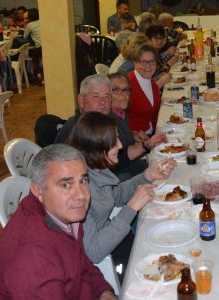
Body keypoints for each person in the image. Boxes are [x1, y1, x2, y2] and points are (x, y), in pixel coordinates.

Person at [0, 144, 116, 300]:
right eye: (66, 185)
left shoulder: (65, 214)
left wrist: (104, 292)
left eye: (83, 181)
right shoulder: (32, 257)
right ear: (38, 190)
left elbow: (82, 264)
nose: (81, 195)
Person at [66, 111, 176, 263]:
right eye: (114, 141)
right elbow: (93, 252)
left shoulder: (95, 168)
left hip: (111, 235)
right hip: (102, 259)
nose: (120, 145)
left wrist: (147, 176)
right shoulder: (78, 192)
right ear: (97, 146)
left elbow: (114, 197)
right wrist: (131, 208)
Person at [54, 74, 167, 181]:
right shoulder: (75, 131)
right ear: (81, 100)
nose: (103, 102)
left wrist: (147, 144)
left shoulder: (104, 118)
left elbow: (120, 157)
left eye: (107, 96)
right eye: (96, 96)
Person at [127, 45, 163, 134]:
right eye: (143, 62)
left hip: (152, 133)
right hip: (135, 140)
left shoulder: (152, 84)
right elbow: (119, 120)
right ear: (135, 63)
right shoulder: (127, 85)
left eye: (152, 61)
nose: (148, 66)